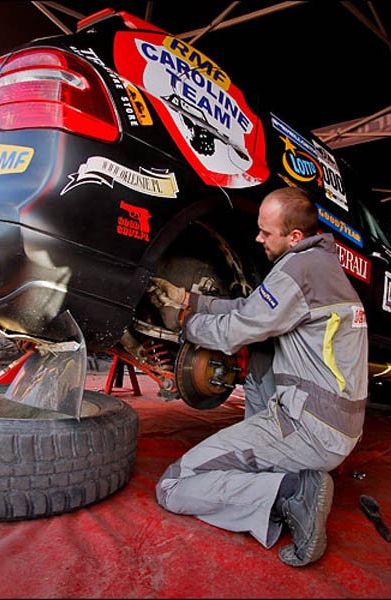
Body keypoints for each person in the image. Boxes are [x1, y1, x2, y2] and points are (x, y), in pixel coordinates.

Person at [146, 186, 369, 567]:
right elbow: (251, 308)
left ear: (294, 236)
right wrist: (189, 300)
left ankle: (292, 493)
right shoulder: (320, 265)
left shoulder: (298, 269)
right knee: (263, 354)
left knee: (173, 484)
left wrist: (183, 323)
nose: (258, 238)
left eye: (266, 232)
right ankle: (276, 465)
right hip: (336, 425)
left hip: (308, 428)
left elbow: (236, 331)